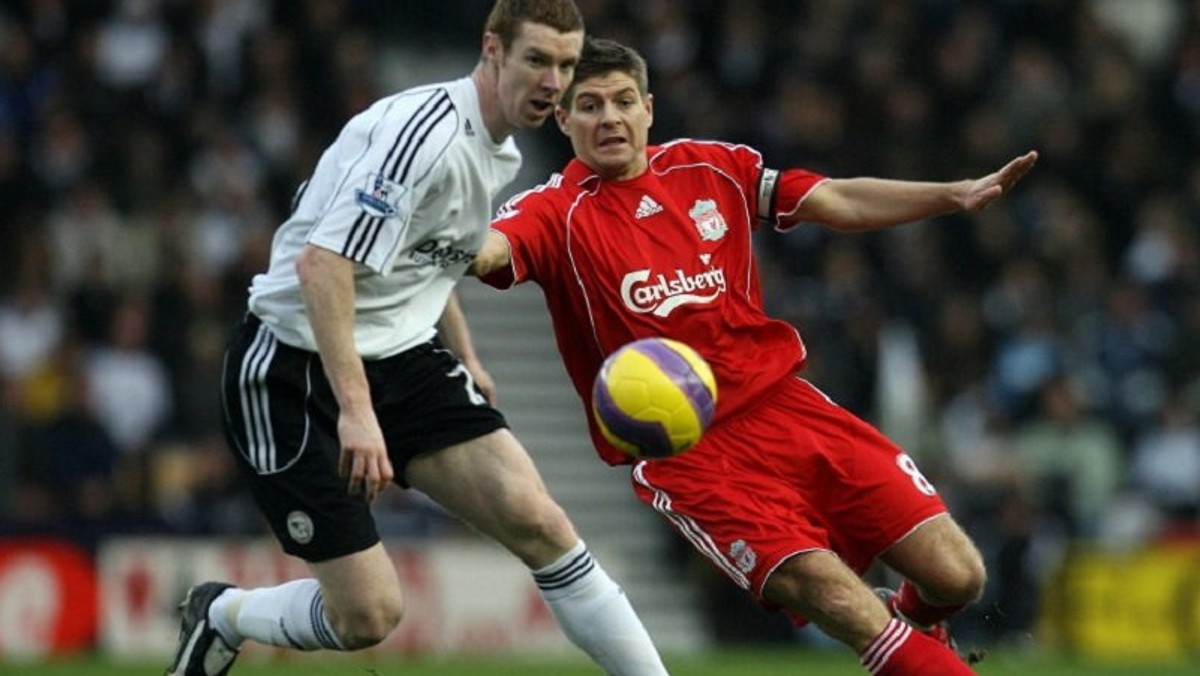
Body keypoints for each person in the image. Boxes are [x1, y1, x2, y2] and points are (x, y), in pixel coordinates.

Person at [470, 36, 1038, 675]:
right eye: (591, 105)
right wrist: (453, 242)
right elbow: (492, 249)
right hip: (689, 457)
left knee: (959, 576)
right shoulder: (554, 212)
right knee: (835, 597)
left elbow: (836, 199)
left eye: (623, 101)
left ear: (649, 108)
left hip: (786, 407)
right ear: (564, 120)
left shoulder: (712, 169)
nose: (609, 118)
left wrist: (954, 194)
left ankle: (915, 622)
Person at [167, 5, 669, 676]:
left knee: (543, 525)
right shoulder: (424, 135)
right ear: (492, 50)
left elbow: (434, 256)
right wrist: (356, 409)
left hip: (402, 358)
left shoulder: (502, 151)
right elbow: (323, 267)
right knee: (368, 617)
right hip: (293, 366)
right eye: (538, 60)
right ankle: (223, 613)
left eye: (566, 65)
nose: (554, 81)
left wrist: (467, 355)